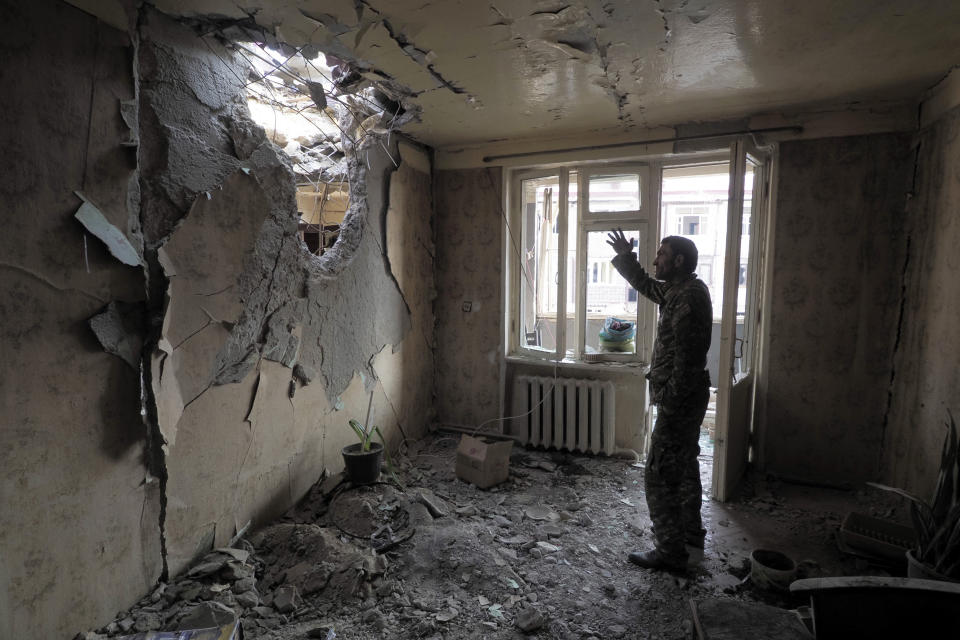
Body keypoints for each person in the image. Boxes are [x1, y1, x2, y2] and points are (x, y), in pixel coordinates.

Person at [606, 229, 713, 571]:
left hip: (680, 399)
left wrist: (669, 398)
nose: (656, 260)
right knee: (685, 463)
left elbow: (688, 358)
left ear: (679, 261)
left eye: (662, 255)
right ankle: (692, 532)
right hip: (684, 397)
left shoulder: (689, 297)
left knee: (659, 473)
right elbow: (646, 284)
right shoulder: (679, 290)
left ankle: (670, 550)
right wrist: (626, 257)